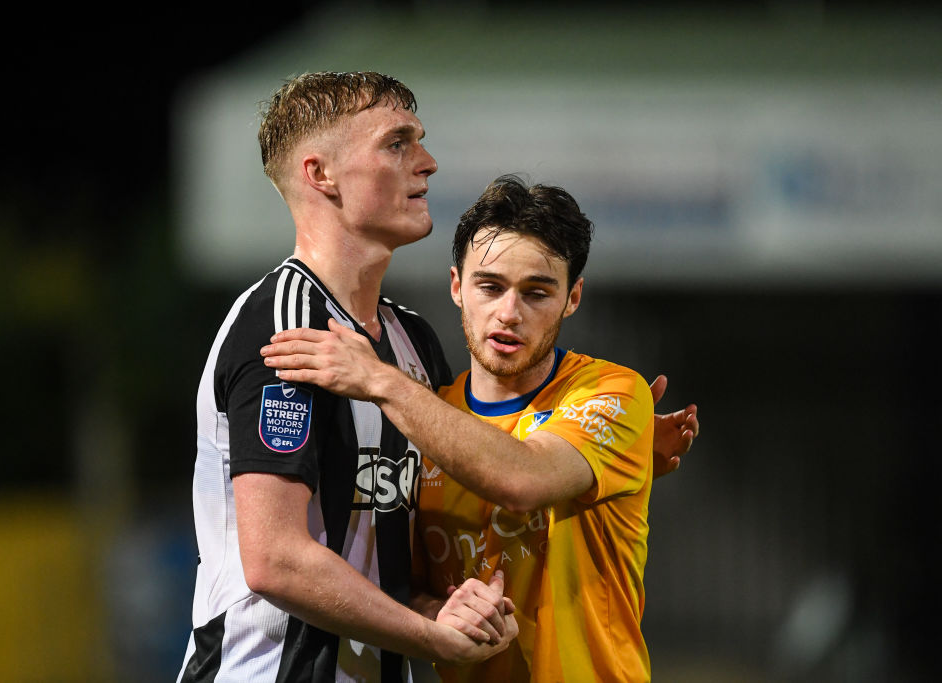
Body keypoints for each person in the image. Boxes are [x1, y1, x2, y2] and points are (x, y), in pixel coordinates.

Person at [262, 174, 699, 682]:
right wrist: (439, 616)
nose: (508, 314)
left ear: (573, 298)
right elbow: (409, 586)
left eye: (537, 292)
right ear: (456, 286)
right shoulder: (431, 419)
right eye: (489, 287)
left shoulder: (614, 393)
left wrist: (379, 380)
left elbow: (523, 482)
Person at [177, 71, 519, 683]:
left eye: (419, 140)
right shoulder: (285, 322)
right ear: (320, 175)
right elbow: (276, 560)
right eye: (397, 143)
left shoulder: (412, 339)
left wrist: (446, 609)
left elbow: (393, 563)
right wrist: (429, 637)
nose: (428, 163)